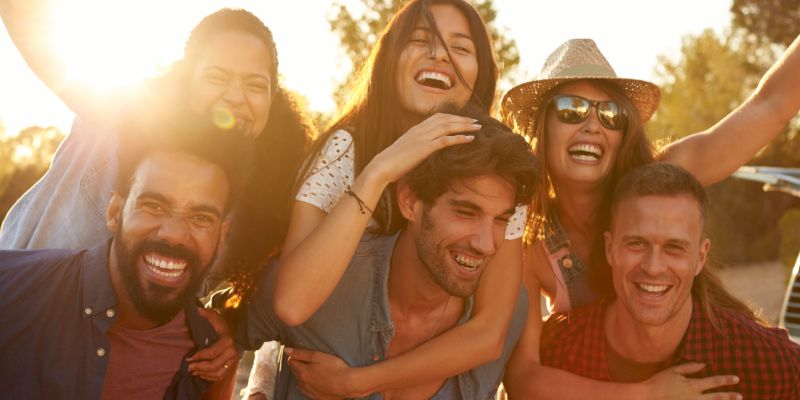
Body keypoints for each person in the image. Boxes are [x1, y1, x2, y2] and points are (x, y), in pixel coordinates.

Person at [244, 0, 527, 397]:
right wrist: (380, 171)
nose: (439, 55)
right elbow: (291, 303)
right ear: (390, 59)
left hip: (411, 365)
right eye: (420, 40)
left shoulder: (499, 169)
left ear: (479, 74)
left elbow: (489, 331)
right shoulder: (345, 150)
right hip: (334, 341)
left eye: (460, 48)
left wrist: (358, 384)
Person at [499, 37, 800, 398]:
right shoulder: (532, 241)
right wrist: (649, 394)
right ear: (541, 127)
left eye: (610, 114)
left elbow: (770, 105)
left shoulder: (658, 184)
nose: (592, 125)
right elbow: (523, 379)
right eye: (570, 109)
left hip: (701, 364)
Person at [236, 110, 538, 400]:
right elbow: (217, 334)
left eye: (501, 220)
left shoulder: (511, 313)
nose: (486, 244)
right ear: (409, 202)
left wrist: (355, 383)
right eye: (465, 212)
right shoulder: (324, 284)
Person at [0, 5, 312, 268]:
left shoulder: (258, 199)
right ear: (186, 81)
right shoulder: (121, 117)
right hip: (17, 316)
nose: (235, 96)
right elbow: (26, 19)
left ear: (273, 99)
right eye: (217, 77)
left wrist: (226, 327)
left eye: (255, 85)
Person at [0, 112, 245, 399]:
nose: (174, 234)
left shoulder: (211, 353)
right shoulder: (12, 288)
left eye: (201, 217)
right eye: (154, 206)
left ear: (221, 235)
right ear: (115, 212)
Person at [538, 162, 800, 399]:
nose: (653, 267)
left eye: (674, 247)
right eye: (636, 243)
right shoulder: (553, 353)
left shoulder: (767, 364)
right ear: (610, 248)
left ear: (700, 257)